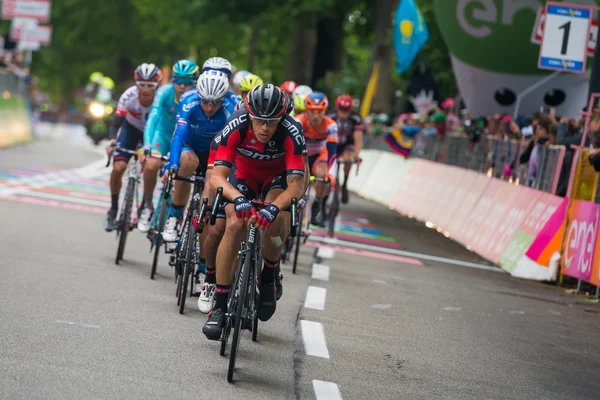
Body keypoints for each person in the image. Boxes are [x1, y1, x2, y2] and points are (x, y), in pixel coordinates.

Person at [202, 84, 306, 340]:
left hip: (275, 178)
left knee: (277, 219)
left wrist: (273, 207)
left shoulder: (292, 132)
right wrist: (237, 199)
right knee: (235, 224)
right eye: (259, 121)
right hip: (242, 175)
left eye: (272, 122)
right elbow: (217, 177)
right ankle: (220, 306)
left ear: (282, 118)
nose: (264, 128)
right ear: (249, 114)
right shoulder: (236, 123)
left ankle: (269, 273)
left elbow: (296, 186)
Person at [161, 70, 235, 243]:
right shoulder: (189, 101)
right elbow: (179, 135)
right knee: (186, 162)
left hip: (214, 152)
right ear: (199, 95)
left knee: (211, 179)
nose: (209, 107)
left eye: (215, 103)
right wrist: (172, 165)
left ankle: (201, 233)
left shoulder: (230, 109)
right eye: (205, 101)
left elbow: (232, 144)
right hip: (191, 145)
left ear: (223, 98)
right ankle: (175, 215)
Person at [137, 60, 200, 233]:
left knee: (183, 172)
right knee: (151, 164)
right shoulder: (164, 92)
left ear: (195, 83)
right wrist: (147, 144)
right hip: (163, 136)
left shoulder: (197, 98)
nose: (182, 86)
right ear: (172, 80)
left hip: (182, 140)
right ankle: (147, 204)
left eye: (187, 82)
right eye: (178, 81)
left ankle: (176, 216)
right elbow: (153, 117)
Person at [104, 63, 162, 232]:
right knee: (118, 167)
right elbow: (116, 122)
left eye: (150, 86)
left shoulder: (161, 99)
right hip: (131, 130)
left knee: (151, 166)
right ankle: (113, 209)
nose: (145, 90)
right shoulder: (129, 96)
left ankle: (145, 204)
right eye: (141, 85)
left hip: (152, 135)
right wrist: (112, 141)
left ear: (157, 85)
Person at [295, 92, 338, 226]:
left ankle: (317, 203)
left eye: (319, 112)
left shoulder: (330, 125)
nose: (315, 116)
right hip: (302, 154)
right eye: (312, 111)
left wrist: (331, 174)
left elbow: (332, 153)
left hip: (320, 155)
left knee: (322, 176)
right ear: (306, 110)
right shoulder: (298, 121)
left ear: (324, 111)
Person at [327, 94, 363, 204]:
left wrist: (356, 155)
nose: (343, 114)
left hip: (347, 144)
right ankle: (328, 182)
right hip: (332, 142)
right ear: (337, 108)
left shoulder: (355, 119)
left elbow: (358, 138)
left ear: (350, 110)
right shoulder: (330, 116)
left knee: (348, 158)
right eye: (341, 111)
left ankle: (345, 183)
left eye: (346, 111)